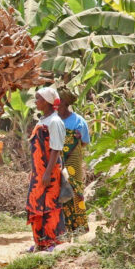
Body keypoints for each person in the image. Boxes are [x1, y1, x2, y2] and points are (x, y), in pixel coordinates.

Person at [26, 87, 66, 252]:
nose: (36, 102)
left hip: (49, 173)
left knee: (50, 206)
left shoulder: (55, 122)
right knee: (36, 204)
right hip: (38, 173)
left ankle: (52, 242)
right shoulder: (43, 120)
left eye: (38, 99)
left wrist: (48, 173)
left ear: (48, 102)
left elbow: (56, 149)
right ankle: (39, 242)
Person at [58, 88, 90, 237]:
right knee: (58, 190)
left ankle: (78, 226)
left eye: (58, 102)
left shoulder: (78, 121)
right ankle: (62, 226)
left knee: (75, 190)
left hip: (73, 161)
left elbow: (84, 142)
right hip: (56, 161)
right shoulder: (53, 120)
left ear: (64, 103)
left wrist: (69, 143)